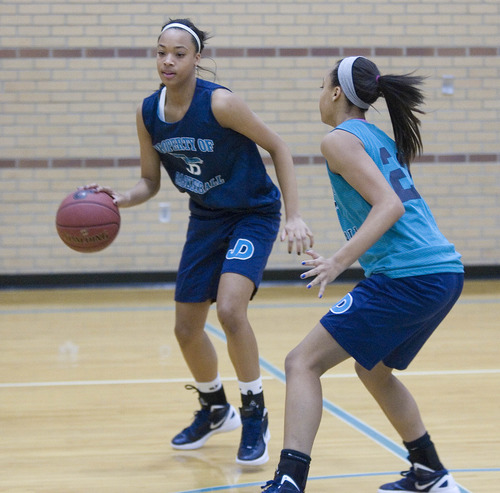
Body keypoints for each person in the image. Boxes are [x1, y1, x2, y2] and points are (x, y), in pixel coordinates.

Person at [87, 18, 313, 466]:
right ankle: (215, 409)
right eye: (160, 52)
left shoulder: (222, 103)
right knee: (186, 328)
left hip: (252, 213)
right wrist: (121, 199)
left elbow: (279, 147)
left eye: (179, 53)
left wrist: (295, 216)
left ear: (197, 59)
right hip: (206, 218)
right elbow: (150, 181)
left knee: (230, 309)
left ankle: (254, 412)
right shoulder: (149, 112)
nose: (167, 61)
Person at [261, 56, 463, 492]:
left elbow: (389, 206)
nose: (319, 95)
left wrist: (337, 261)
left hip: (409, 276)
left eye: (321, 86)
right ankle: (429, 471)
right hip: (443, 272)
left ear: (336, 92)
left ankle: (289, 481)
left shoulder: (338, 139)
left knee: (301, 363)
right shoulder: (375, 135)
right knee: (372, 371)